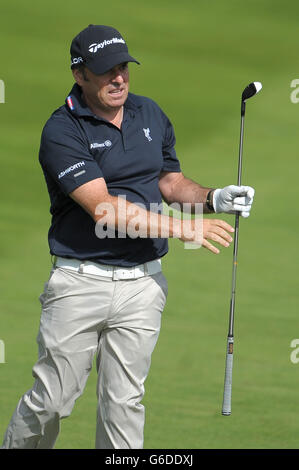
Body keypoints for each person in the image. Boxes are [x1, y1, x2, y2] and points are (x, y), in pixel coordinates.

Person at [1, 24, 254, 449]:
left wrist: (213, 197)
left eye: (123, 67)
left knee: (124, 403)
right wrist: (185, 228)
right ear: (80, 75)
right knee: (52, 401)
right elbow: (105, 209)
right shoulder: (62, 130)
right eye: (106, 71)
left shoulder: (149, 113)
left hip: (142, 285)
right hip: (80, 283)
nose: (118, 78)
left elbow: (170, 183)